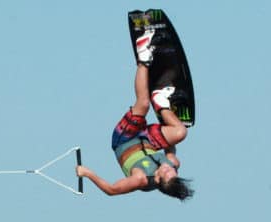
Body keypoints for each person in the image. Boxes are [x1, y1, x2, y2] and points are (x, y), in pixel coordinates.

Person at [77, 28, 194, 201]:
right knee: (181, 133)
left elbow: (112, 190)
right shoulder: (173, 165)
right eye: (173, 172)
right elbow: (170, 149)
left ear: (158, 179)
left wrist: (87, 173)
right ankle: (161, 102)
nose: (171, 169)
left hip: (123, 139)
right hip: (146, 138)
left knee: (143, 104)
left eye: (167, 173)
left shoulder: (139, 179)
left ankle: (143, 59)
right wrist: (172, 127)